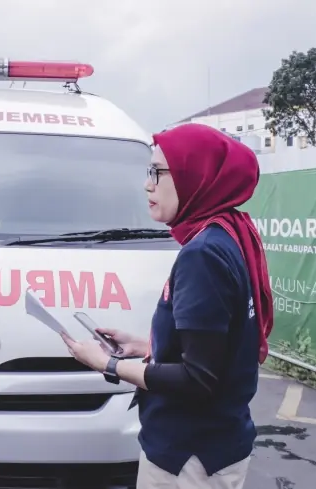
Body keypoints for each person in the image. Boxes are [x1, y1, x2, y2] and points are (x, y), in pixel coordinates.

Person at [61, 123, 274, 489]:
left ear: (196, 177)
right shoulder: (228, 234)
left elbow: (197, 379)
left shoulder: (203, 254)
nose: (148, 184)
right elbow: (219, 349)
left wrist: (108, 364)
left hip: (190, 456)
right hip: (213, 442)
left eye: (158, 172)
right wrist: (145, 347)